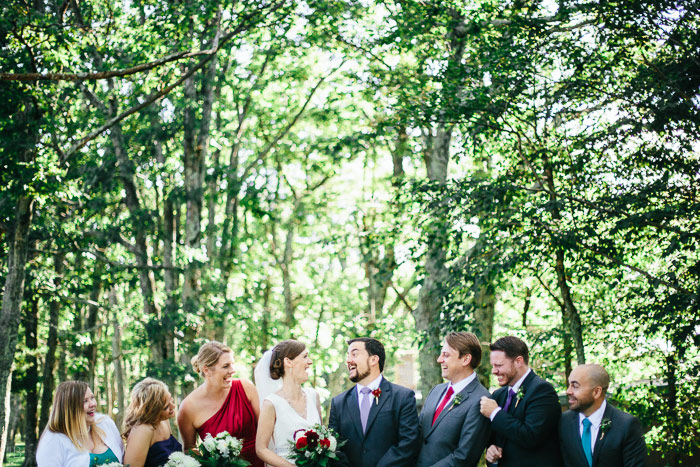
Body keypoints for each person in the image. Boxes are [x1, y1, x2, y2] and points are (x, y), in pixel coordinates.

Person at [329, 337, 420, 467]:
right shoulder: (338, 403)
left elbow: (408, 444)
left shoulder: (402, 397)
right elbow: (334, 447)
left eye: (354, 354)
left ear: (373, 360)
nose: (348, 360)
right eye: (348, 355)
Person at [479, 336, 563, 467]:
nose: (494, 371)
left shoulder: (542, 390)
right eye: (493, 366)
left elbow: (531, 436)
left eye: (499, 365)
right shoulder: (498, 395)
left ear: (519, 361)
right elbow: (495, 436)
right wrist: (491, 450)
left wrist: (495, 413)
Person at [177, 341, 263, 467]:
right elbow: (190, 451)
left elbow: (265, 429)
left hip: (259, 462)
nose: (232, 370)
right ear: (206, 370)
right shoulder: (188, 408)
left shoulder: (246, 387)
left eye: (232, 364)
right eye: (226, 366)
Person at [417, 332, 492, 467]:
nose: (439, 359)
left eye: (446, 355)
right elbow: (419, 432)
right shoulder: (436, 391)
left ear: (465, 359)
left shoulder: (480, 400)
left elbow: (464, 457)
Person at [560, 364, 647, 467]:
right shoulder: (563, 422)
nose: (568, 391)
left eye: (575, 386)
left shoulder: (626, 425)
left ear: (596, 392)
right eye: (569, 385)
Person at [254, 339, 322, 467]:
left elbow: (322, 438)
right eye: (305, 357)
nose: (310, 362)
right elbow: (261, 449)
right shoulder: (271, 403)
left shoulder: (313, 396)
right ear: (288, 362)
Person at [36, 381, 124, 466]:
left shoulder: (106, 424)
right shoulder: (53, 440)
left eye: (92, 398)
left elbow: (123, 458)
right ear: (69, 409)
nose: (92, 404)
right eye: (85, 401)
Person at [123, 378, 181, 467]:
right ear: (153, 410)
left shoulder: (164, 420)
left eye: (171, 399)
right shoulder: (142, 430)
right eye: (166, 407)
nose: (173, 406)